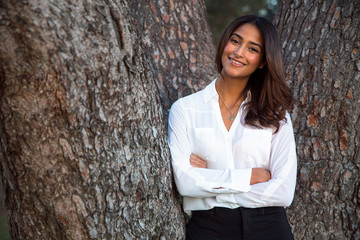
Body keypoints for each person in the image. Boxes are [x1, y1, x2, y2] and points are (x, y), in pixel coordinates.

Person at [167, 15, 297, 240]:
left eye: (252, 48)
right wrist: (250, 176)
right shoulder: (185, 110)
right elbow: (185, 184)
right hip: (208, 228)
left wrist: (208, 183)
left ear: (263, 61)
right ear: (225, 42)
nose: (238, 52)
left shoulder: (276, 114)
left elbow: (283, 191)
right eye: (235, 41)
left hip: (269, 227)